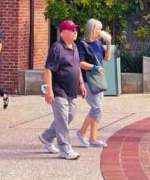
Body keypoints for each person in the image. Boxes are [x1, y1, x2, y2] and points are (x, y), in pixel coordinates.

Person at [40, 20, 85, 159]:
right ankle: (65, 149)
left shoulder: (75, 47)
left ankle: (46, 137)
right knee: (62, 118)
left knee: (70, 115)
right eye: (72, 30)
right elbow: (48, 69)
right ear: (63, 32)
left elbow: (77, 67)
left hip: (71, 90)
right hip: (58, 89)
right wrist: (49, 90)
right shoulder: (57, 48)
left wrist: (81, 84)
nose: (75, 32)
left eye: (75, 30)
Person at [76, 19, 111, 149]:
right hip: (88, 80)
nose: (100, 32)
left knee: (99, 110)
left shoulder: (97, 43)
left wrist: (108, 43)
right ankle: (81, 132)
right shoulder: (82, 44)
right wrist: (95, 67)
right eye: (98, 29)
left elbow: (107, 58)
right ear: (92, 29)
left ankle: (93, 139)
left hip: (98, 80)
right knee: (97, 108)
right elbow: (80, 63)